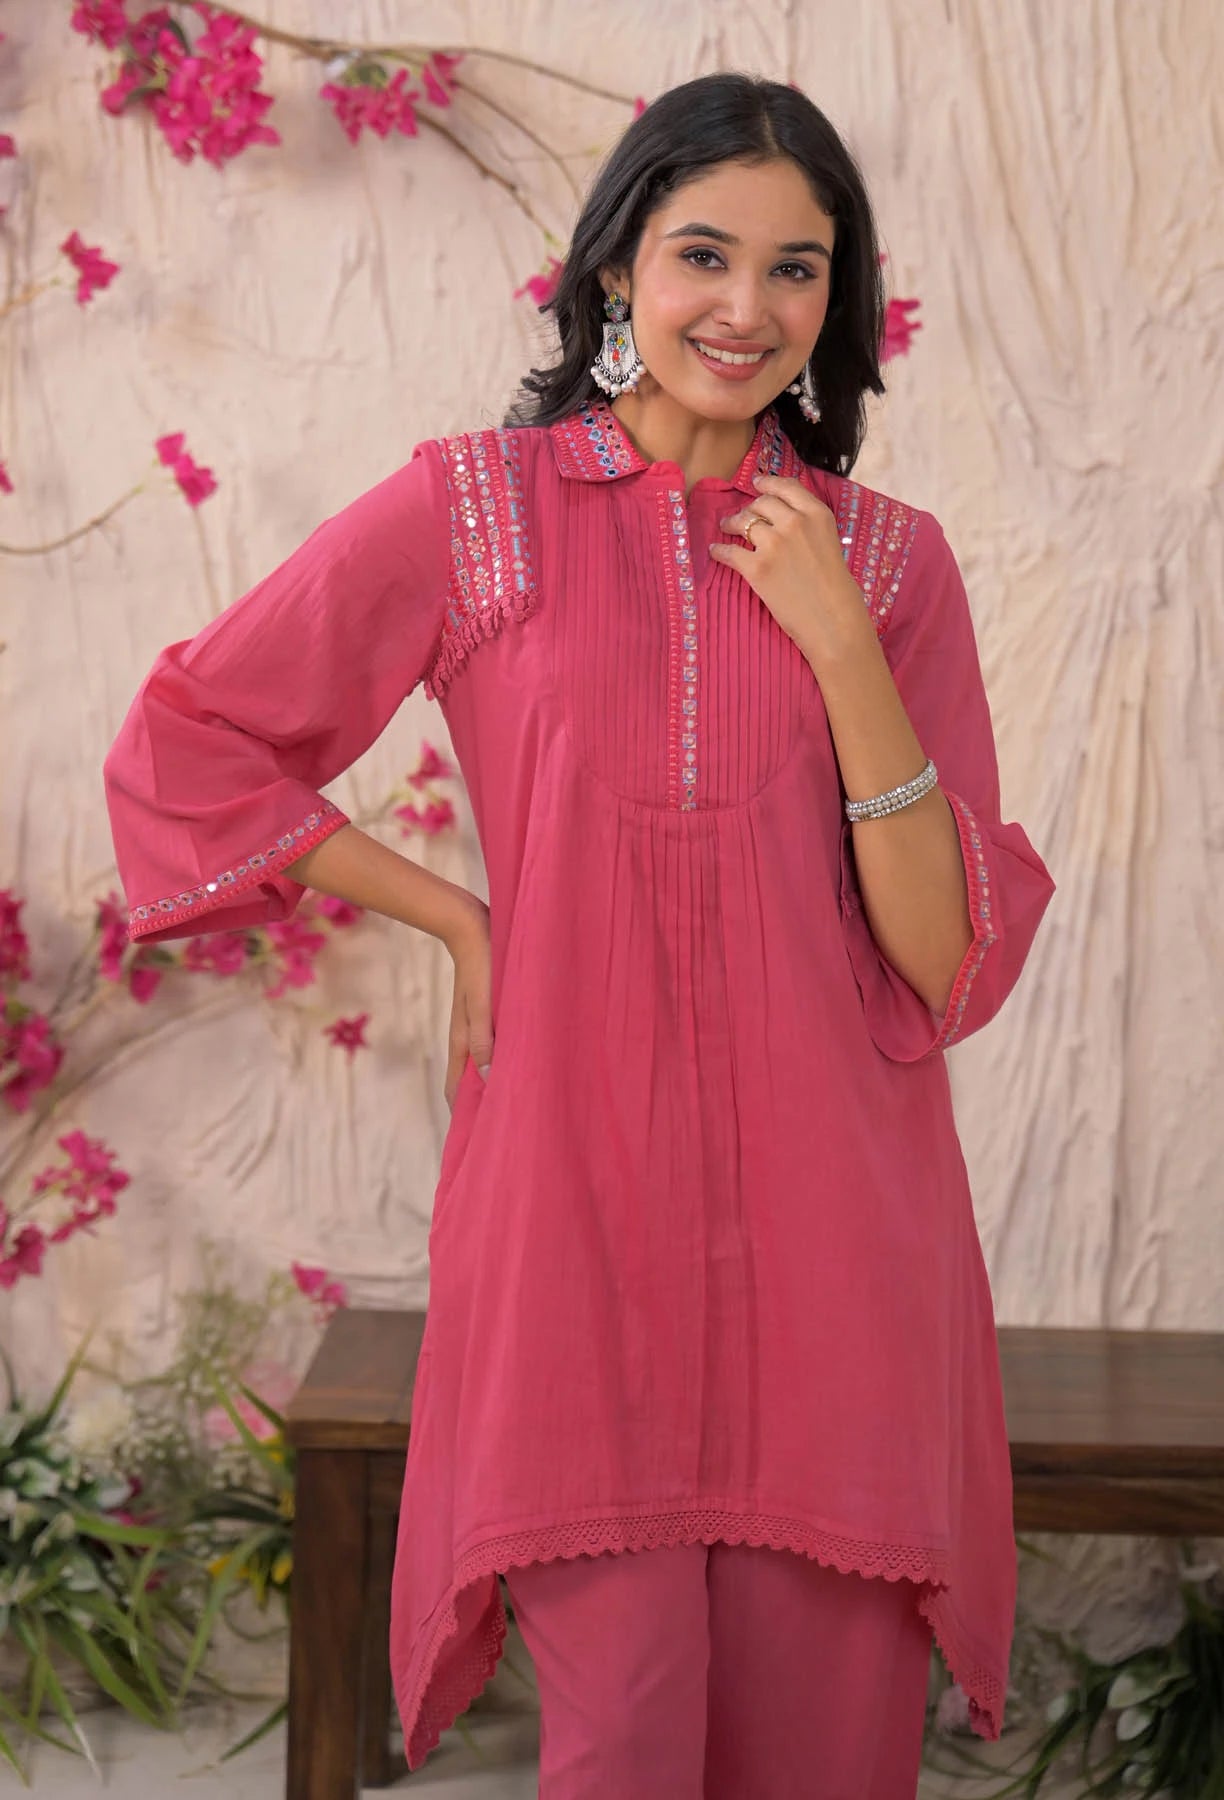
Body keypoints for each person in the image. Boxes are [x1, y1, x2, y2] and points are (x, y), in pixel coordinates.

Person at [103, 70, 1055, 1800]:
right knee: (619, 1739)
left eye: (796, 268)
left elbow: (947, 957)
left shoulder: (891, 566)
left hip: (843, 1233)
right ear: (618, 265)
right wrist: (458, 918)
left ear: (836, 299)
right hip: (572, 1216)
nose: (746, 307)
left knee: (830, 1746)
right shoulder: (478, 511)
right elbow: (196, 737)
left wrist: (841, 643)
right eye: (705, 254)